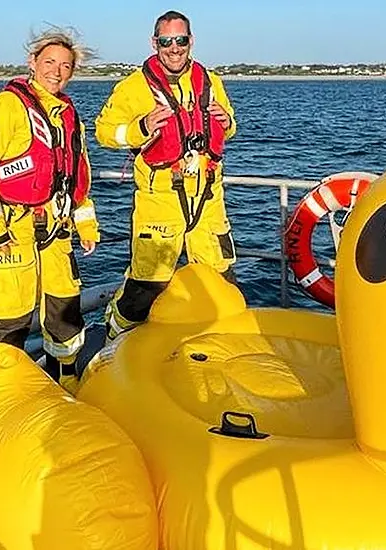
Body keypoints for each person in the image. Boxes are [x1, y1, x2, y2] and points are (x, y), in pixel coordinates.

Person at [0, 27, 99, 393]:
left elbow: (76, 177)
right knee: (10, 317)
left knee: (64, 311)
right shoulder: (3, 108)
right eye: (49, 62)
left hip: (56, 232)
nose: (56, 71)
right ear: (32, 63)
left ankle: (64, 379)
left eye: (65, 66)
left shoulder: (69, 116)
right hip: (12, 232)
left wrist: (87, 225)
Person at [94, 10, 238, 341]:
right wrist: (140, 128)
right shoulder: (132, 88)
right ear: (154, 42)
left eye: (181, 40)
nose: (174, 48)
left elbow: (229, 126)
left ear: (191, 41)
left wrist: (226, 123)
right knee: (147, 285)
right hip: (160, 203)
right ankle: (113, 337)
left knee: (221, 280)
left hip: (208, 202)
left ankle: (219, 347)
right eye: (166, 41)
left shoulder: (210, 81)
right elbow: (103, 132)